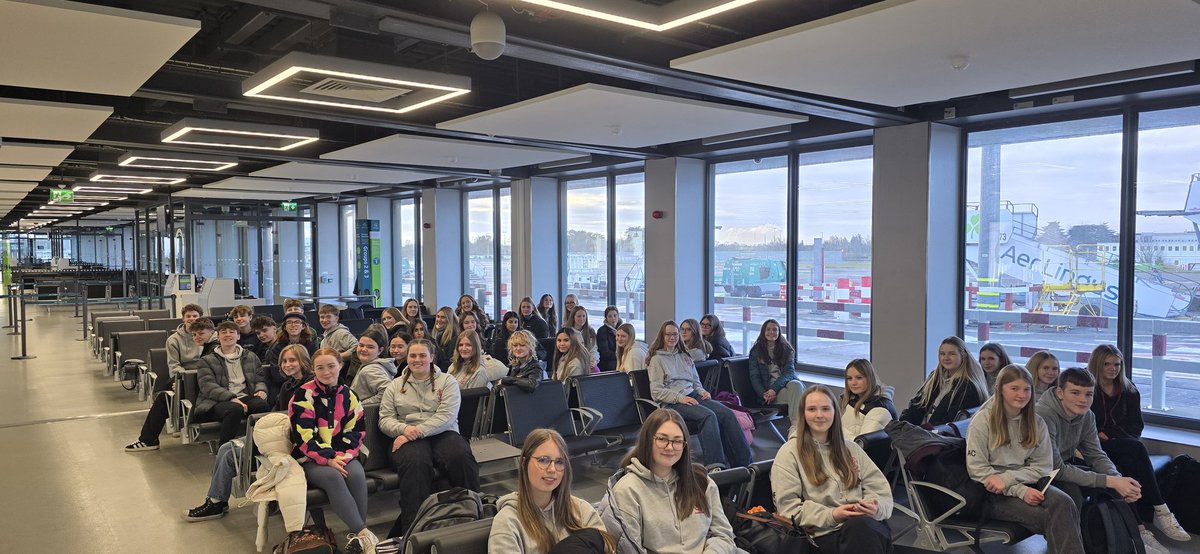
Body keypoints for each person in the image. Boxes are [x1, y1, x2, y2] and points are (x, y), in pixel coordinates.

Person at [1035, 367, 1175, 553]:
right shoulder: (1043, 414)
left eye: (1088, 394)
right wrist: (1112, 480)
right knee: (1072, 495)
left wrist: (1117, 479)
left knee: (1114, 481)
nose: (1083, 399)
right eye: (1075, 392)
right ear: (1060, 393)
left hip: (1062, 467)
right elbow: (1055, 468)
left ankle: (1135, 537)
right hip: (1035, 474)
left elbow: (1095, 454)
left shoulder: (1087, 416)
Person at [184, 344, 313, 523]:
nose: (287, 364)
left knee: (229, 452)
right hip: (277, 435)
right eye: (284, 361)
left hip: (287, 442)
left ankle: (216, 502)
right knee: (226, 447)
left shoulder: (308, 387)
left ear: (303, 361)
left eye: (293, 360)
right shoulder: (288, 385)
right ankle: (216, 500)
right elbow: (276, 414)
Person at [966, 365, 1084, 554]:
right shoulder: (982, 421)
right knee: (1049, 517)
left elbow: (1043, 466)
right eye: (1014, 388)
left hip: (1027, 482)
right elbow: (978, 471)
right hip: (992, 492)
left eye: (1027, 389)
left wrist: (1012, 481)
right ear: (1000, 389)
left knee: (1065, 503)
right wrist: (1020, 491)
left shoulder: (1035, 421)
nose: (1022, 395)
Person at [772, 386, 893, 553]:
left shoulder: (851, 448)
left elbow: (880, 490)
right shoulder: (789, 453)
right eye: (812, 409)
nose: (819, 415)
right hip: (821, 535)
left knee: (866, 526)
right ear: (803, 414)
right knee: (863, 529)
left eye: (825, 409)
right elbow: (788, 510)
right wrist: (833, 514)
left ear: (835, 413)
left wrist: (874, 506)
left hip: (861, 527)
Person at [1089, 344, 1190, 542]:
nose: (1113, 369)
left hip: (1122, 444)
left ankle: (1140, 530)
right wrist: (1106, 435)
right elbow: (1084, 424)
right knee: (1134, 449)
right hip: (1093, 446)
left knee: (1126, 462)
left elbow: (1136, 426)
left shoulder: (1128, 389)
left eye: (1117, 364)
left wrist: (1110, 433)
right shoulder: (1087, 388)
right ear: (1097, 365)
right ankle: (1160, 511)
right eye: (1107, 364)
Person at [380, 339, 480, 537]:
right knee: (416, 463)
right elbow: (385, 420)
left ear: (432, 357)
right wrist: (404, 429)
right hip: (407, 434)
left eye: (422, 355)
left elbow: (446, 416)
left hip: (442, 432)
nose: (417, 360)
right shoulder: (394, 386)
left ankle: (475, 516)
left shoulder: (447, 381)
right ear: (407, 358)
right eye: (413, 355)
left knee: (460, 456)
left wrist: (415, 432)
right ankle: (414, 532)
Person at [605, 408, 739, 552]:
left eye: (677, 441)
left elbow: (724, 535)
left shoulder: (701, 482)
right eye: (662, 439)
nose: (670, 448)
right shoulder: (627, 490)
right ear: (647, 440)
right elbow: (631, 550)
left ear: (684, 445)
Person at [289, 347, 378, 554]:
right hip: (310, 457)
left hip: (343, 455)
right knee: (334, 477)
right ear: (313, 369)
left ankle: (359, 538)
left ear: (340, 365)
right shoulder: (303, 394)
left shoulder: (349, 395)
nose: (326, 371)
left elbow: (356, 431)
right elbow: (303, 436)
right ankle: (365, 535)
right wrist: (328, 459)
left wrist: (341, 456)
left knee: (355, 473)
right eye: (320, 368)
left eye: (331, 366)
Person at [488, 428, 613, 554]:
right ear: (524, 463)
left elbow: (608, 548)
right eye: (543, 460)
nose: (552, 469)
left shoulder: (580, 509)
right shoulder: (508, 522)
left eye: (559, 462)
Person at [647, 321, 752, 469]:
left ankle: (745, 463)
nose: (672, 337)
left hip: (692, 395)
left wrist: (702, 391)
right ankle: (715, 465)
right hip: (673, 402)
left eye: (675, 334)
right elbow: (656, 391)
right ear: (662, 336)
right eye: (668, 334)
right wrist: (680, 398)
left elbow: (695, 381)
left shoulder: (685, 356)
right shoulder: (657, 359)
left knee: (727, 413)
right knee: (708, 416)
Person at [124, 316, 218, 452]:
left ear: (211, 331)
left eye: (201, 333)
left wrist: (186, 383)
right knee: (168, 392)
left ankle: (148, 440)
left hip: (203, 391)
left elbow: (207, 376)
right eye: (194, 334)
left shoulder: (212, 349)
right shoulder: (208, 346)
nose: (197, 337)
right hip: (195, 384)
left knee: (163, 399)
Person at [196, 321, 271, 446]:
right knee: (235, 409)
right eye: (223, 332)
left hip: (245, 396)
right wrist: (232, 398)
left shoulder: (250, 356)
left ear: (238, 336)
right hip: (216, 402)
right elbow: (207, 386)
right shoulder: (207, 360)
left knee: (261, 405)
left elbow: (260, 379)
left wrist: (261, 390)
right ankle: (224, 448)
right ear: (218, 337)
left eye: (232, 332)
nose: (227, 335)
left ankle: (258, 446)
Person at [899, 336, 989, 427]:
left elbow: (950, 422)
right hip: (921, 431)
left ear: (963, 355)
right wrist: (902, 425)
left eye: (952, 354)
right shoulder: (934, 377)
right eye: (942, 354)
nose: (946, 358)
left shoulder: (967, 386)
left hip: (938, 436)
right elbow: (917, 405)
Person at [747, 319, 803, 423]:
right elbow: (754, 376)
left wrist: (774, 389)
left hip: (783, 386)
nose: (771, 332)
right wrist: (764, 394)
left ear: (779, 332)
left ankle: (796, 426)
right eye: (768, 329)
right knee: (798, 395)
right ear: (763, 332)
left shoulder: (786, 349)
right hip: (767, 393)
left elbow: (789, 373)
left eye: (774, 330)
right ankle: (798, 429)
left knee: (796, 385)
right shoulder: (756, 351)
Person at [263, 313, 320, 401]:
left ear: (303, 326)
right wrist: (294, 377)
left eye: (297, 322)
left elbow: (314, 368)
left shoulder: (311, 346)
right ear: (284, 327)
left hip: (307, 381)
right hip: (283, 383)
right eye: (289, 322)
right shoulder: (277, 348)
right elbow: (276, 374)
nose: (293, 325)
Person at [841, 359, 896, 438]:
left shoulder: (879, 409)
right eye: (849, 378)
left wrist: (835, 433)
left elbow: (863, 445)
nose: (853, 383)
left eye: (859, 378)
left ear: (870, 378)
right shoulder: (850, 399)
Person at [350, 326, 397, 405]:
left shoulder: (370, 369)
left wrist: (361, 405)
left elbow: (388, 392)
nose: (364, 349)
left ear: (380, 350)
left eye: (370, 347)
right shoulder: (373, 365)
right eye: (361, 345)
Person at [596, 306, 621, 373]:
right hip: (608, 364)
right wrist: (620, 355)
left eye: (615, 315)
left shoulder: (622, 329)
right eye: (610, 316)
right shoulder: (602, 331)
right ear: (606, 318)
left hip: (619, 360)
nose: (613, 318)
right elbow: (605, 353)